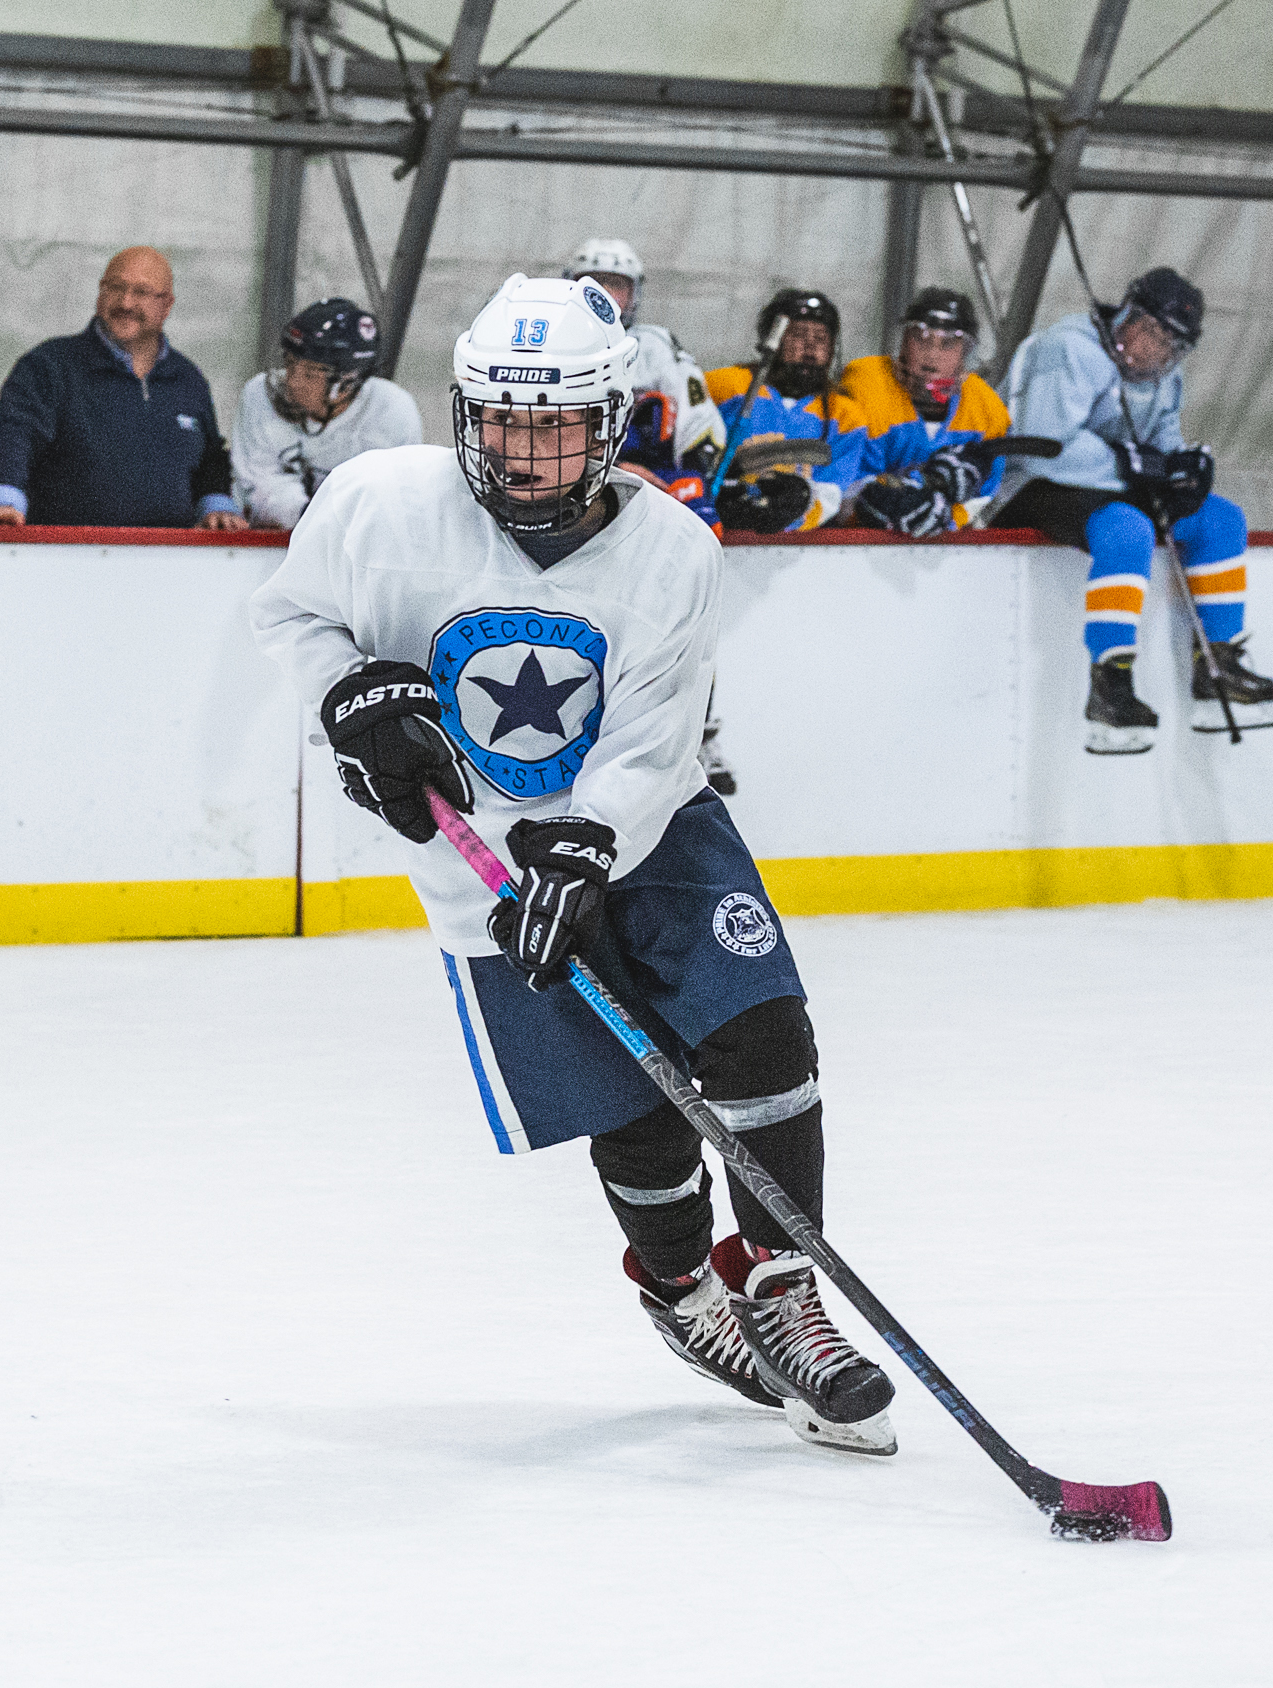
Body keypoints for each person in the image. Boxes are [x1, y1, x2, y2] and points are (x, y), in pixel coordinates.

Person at [246, 273, 897, 1457]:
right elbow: (293, 616)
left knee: (762, 1030)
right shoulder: (377, 509)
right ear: (465, 413)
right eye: (501, 419)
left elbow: (656, 739)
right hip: (482, 859)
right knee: (627, 1093)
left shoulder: (674, 553)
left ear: (608, 423)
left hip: (654, 834)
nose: (525, 450)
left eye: (554, 424)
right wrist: (354, 701)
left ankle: (782, 1284)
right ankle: (681, 1287)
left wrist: (591, 842)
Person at [994, 266, 1273, 755]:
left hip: (1103, 487)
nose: (1151, 349)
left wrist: (1181, 474)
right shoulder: (1070, 348)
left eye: (1169, 344)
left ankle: (1217, 670)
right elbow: (1038, 445)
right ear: (1128, 314)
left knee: (1221, 521)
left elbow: (1161, 447)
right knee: (1126, 529)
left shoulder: (1165, 380)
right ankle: (1110, 687)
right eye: (1149, 329)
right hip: (1026, 486)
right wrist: (1128, 465)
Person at [0, 246, 247, 530]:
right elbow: (11, 436)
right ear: (100, 292)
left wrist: (217, 506)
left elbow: (210, 458)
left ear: (167, 305)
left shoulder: (188, 379)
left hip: (167, 563)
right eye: (115, 287)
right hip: (65, 559)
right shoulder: (48, 366)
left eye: (142, 292)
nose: (125, 302)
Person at [229, 297, 424, 529]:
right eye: (290, 363)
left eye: (310, 373)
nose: (293, 381)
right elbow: (256, 484)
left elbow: (399, 496)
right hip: (276, 546)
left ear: (347, 381)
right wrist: (311, 518)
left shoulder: (392, 411)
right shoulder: (258, 395)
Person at [837, 287, 1013, 538]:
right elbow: (838, 487)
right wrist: (876, 502)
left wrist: (948, 518)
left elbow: (985, 494)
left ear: (966, 353)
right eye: (921, 338)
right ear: (903, 341)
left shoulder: (986, 409)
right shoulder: (866, 387)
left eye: (948, 343)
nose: (931, 356)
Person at [700, 287, 876, 536]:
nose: (810, 346)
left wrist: (797, 509)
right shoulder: (725, 387)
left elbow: (832, 492)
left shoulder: (845, 415)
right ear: (772, 337)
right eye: (798, 334)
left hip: (795, 551)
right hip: (718, 533)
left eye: (821, 338)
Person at [563, 235, 721, 470]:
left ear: (633, 294)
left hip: (651, 472)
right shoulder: (552, 344)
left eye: (615, 284)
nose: (604, 293)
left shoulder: (656, 344)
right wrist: (616, 467)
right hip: (569, 470)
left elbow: (696, 414)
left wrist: (691, 470)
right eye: (593, 284)